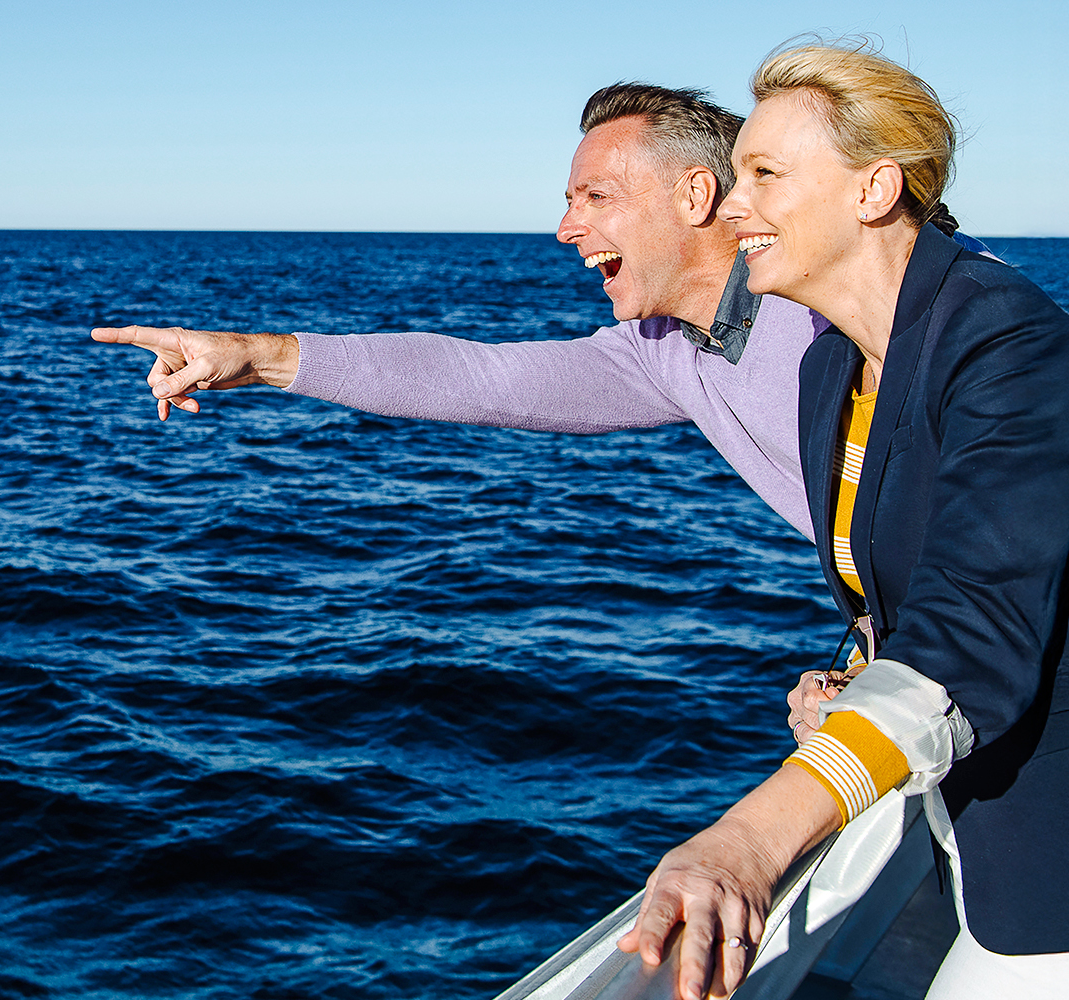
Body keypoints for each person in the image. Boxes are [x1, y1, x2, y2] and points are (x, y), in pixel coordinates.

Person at [621, 42, 1069, 1000]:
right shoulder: (836, 366)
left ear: (874, 189)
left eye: (766, 175)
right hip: (977, 831)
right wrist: (864, 670)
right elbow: (920, 576)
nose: (731, 206)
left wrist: (749, 839)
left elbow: (979, 635)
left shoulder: (1013, 346)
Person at [93, 83, 833, 538]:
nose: (566, 228)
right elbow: (481, 378)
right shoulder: (661, 351)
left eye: (596, 197)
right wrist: (255, 356)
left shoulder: (833, 305)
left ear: (697, 196)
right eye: (568, 201)